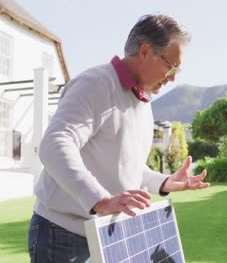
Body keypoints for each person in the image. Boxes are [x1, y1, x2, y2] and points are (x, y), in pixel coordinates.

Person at [27, 14, 210, 263]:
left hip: (107, 236)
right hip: (63, 236)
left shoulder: (142, 102)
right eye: (171, 66)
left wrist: (165, 182)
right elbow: (54, 144)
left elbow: (127, 168)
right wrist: (100, 200)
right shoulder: (95, 84)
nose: (173, 77)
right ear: (146, 51)